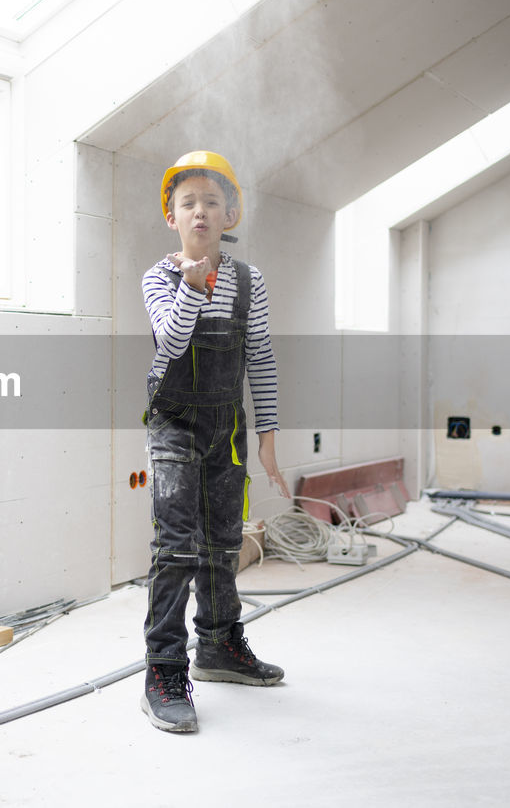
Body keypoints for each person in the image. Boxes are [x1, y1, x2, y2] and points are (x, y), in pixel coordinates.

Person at [140, 150, 288, 733]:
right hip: (174, 424)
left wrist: (269, 435)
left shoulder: (249, 282)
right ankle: (163, 669)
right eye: (187, 203)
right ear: (171, 217)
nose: (199, 211)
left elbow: (262, 359)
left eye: (211, 202)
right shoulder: (159, 277)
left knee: (223, 543)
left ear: (230, 214)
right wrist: (190, 287)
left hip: (226, 428)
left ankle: (221, 646)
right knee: (177, 546)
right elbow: (169, 343)